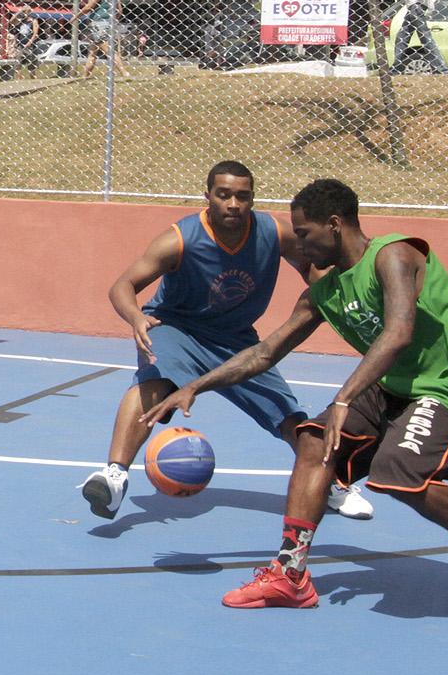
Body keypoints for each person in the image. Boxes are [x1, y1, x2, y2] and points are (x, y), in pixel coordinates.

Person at [143, 179, 448, 624]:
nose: (299, 244)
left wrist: (345, 397)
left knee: (398, 474)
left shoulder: (394, 255)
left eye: (304, 233)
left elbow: (398, 332)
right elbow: (264, 352)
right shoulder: (324, 292)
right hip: (396, 383)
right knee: (313, 442)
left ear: (334, 225)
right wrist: (196, 384)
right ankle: (290, 574)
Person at [81, 162, 374, 523]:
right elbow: (122, 286)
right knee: (154, 379)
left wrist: (338, 293)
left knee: (287, 415)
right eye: (224, 195)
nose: (233, 203)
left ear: (252, 198)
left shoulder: (271, 232)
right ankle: (114, 477)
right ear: (208, 197)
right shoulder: (181, 239)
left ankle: (331, 483)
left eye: (242, 196)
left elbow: (313, 267)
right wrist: (137, 318)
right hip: (178, 328)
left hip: (237, 340)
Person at [76, 0, 118, 79]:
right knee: (92, 52)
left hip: (98, 22)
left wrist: (75, 17)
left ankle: (124, 72)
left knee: (108, 50)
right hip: (108, 21)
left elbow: (90, 6)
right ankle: (84, 76)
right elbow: (118, 10)